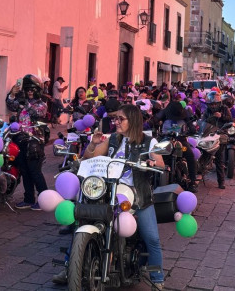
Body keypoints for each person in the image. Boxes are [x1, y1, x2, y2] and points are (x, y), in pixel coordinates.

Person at [56, 104, 165, 286]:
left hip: (138, 196)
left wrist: (151, 162)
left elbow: (160, 163)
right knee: (83, 221)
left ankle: (157, 279)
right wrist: (93, 143)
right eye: (115, 119)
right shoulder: (113, 139)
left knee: (152, 238)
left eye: (120, 119)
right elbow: (89, 158)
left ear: (133, 120)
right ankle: (70, 267)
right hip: (109, 189)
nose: (116, 122)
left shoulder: (148, 141)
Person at [6, 75, 49, 210]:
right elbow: (10, 104)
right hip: (20, 139)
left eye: (32, 89)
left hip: (35, 140)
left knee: (35, 171)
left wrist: (25, 103)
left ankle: (44, 200)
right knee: (24, 170)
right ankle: (28, 199)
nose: (30, 91)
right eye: (27, 89)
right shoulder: (21, 102)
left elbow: (35, 114)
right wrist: (13, 93)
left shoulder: (42, 104)